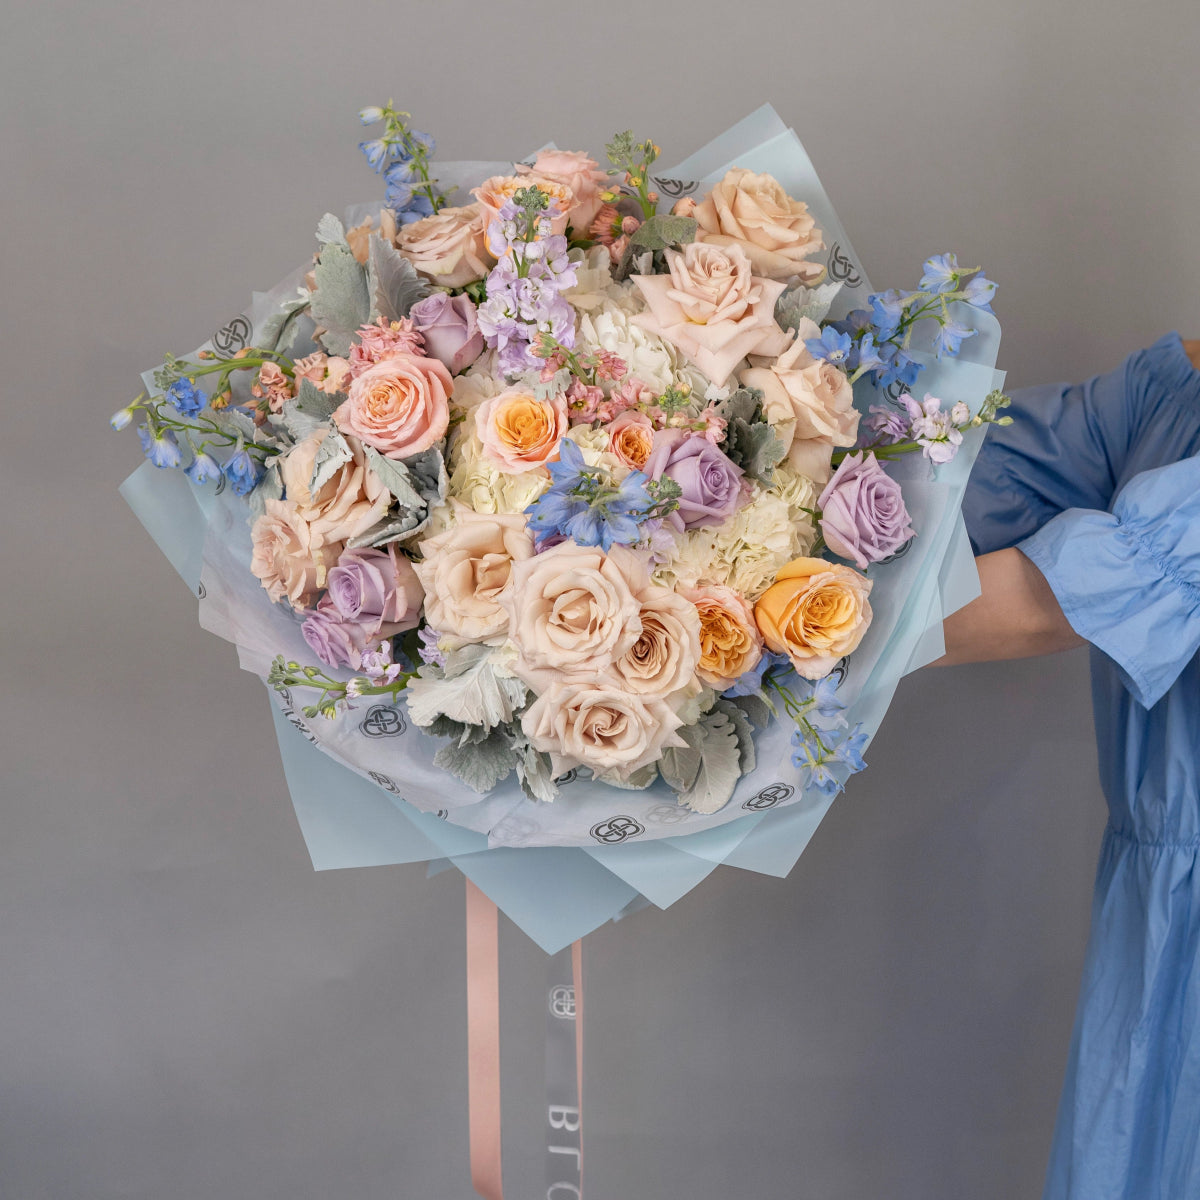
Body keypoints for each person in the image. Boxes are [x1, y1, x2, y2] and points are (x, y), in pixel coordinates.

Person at [939, 332, 1200, 1200]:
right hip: (1159, 918)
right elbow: (947, 481)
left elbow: (1043, 607)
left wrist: (781, 626)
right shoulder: (1174, 391)